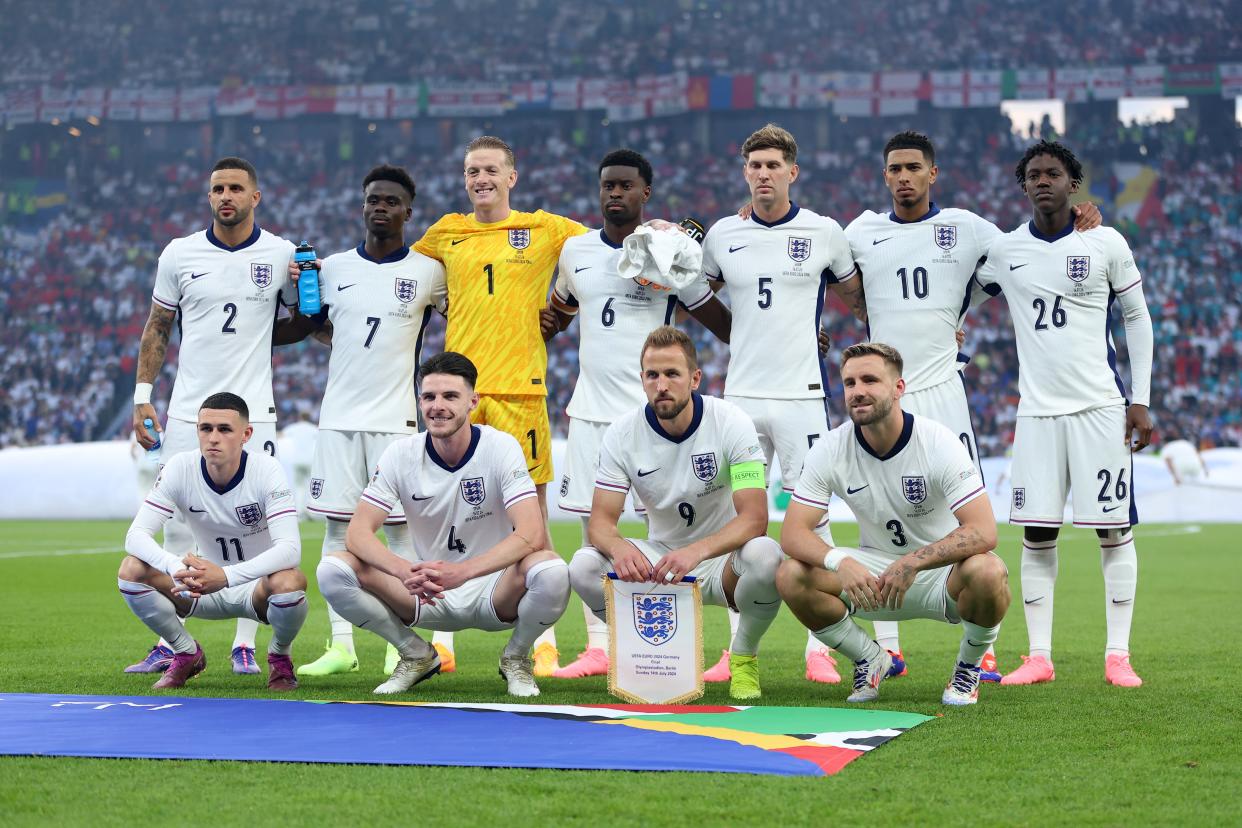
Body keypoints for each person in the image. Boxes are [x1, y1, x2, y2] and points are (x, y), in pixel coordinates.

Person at [843, 130, 1100, 681]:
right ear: (885, 176)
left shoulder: (965, 227)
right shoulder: (860, 231)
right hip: (885, 397)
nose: (904, 176)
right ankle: (888, 646)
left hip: (943, 396)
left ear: (932, 174)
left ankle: (982, 645)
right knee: (876, 515)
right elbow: (813, 262)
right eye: (895, 169)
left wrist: (1082, 221)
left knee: (967, 519)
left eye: (914, 167)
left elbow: (1026, 248)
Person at [544, 149, 732, 679]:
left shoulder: (670, 253)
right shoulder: (575, 251)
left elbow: (721, 322)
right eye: (607, 185)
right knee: (591, 532)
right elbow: (556, 314)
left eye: (626, 186)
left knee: (665, 529)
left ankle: (699, 647)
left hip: (656, 420)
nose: (614, 193)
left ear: (645, 193)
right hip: (591, 414)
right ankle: (601, 646)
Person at [974, 140, 1153, 688]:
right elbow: (962, 295)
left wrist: (1140, 400)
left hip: (1101, 408)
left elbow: (1137, 318)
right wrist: (953, 329)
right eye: (1034, 174)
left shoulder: (1104, 241)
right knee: (1037, 536)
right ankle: (1040, 656)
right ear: (1023, 185)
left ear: (1073, 184)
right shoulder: (1005, 251)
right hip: (1037, 416)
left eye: (1053, 173)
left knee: (1113, 531)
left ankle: (1117, 655)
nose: (1043, 180)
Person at [412, 136, 589, 676]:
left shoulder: (547, 229)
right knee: (445, 514)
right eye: (472, 171)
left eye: (490, 170)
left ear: (513, 176)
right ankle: (442, 640)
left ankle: (541, 640)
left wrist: (562, 311)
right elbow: (395, 273)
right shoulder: (446, 232)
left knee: (530, 518)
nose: (480, 179)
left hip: (520, 389)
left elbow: (608, 252)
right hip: (457, 393)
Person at [699, 123, 864, 685]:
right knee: (737, 523)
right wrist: (736, 335)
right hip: (741, 402)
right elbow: (694, 292)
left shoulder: (824, 232)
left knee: (814, 521)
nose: (763, 174)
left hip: (802, 400)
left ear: (793, 172)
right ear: (744, 172)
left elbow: (860, 297)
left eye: (774, 165)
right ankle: (733, 650)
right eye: (755, 166)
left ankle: (821, 646)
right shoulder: (723, 234)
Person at [276, 165, 448, 679]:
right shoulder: (332, 270)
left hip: (396, 422)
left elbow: (459, 322)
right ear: (362, 205)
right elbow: (319, 327)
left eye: (391, 201)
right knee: (337, 529)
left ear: (407, 212)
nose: (380, 207)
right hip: (338, 419)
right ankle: (342, 645)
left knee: (398, 535)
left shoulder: (427, 272)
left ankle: (402, 644)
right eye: (372, 199)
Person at [129, 157, 297, 676]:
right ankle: (174, 640)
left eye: (236, 188)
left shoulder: (282, 253)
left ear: (256, 196)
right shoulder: (180, 254)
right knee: (177, 522)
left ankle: (245, 640)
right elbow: (158, 326)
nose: (226, 196)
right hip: (186, 411)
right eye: (217, 189)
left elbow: (306, 322)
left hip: (254, 414)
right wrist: (142, 395)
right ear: (209, 196)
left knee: (256, 525)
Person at [316, 352, 570, 697]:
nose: (438, 406)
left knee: (553, 570)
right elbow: (357, 533)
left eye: (450, 396)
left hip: (494, 591)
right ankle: (415, 653)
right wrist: (404, 570)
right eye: (429, 396)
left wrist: (463, 572)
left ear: (472, 402)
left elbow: (531, 533)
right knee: (332, 569)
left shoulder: (501, 447)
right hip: (424, 592)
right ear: (419, 401)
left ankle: (516, 657)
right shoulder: (400, 454)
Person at [777, 343, 1009, 705]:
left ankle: (968, 668)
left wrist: (913, 561)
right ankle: (870, 658)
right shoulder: (830, 447)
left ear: (899, 388)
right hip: (873, 580)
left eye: (870, 380)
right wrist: (840, 561)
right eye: (850, 383)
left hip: (939, 577)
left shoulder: (937, 442)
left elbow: (983, 530)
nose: (858, 391)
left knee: (989, 570)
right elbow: (792, 533)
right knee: (790, 574)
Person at [568, 326, 783, 700]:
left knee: (768, 555)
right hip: (661, 559)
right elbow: (602, 522)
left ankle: (744, 657)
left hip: (721, 562)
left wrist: (697, 551)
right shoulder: (622, 433)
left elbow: (754, 518)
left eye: (672, 374)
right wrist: (620, 549)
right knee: (583, 566)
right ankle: (648, 652)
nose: (661, 384)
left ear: (695, 378)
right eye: (652, 375)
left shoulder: (731, 422)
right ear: (642, 380)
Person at [119, 392, 306, 691]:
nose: (213, 438)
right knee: (131, 569)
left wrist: (226, 575)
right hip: (198, 587)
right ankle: (185, 651)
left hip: (255, 590)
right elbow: (135, 535)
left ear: (246, 434)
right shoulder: (181, 467)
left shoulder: (266, 470)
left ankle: (279, 656)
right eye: (206, 429)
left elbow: (290, 549)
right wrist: (174, 565)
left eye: (224, 429)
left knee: (290, 581)